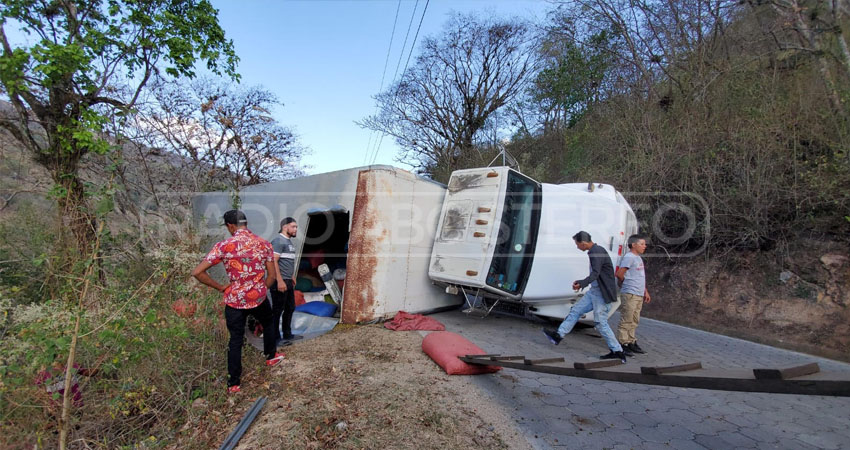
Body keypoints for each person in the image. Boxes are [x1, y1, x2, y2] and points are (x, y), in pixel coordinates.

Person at [192, 209, 284, 393]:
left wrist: (221, 287)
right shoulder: (263, 244)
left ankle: (234, 383)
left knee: (235, 339)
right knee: (268, 322)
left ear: (231, 226)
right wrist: (261, 289)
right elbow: (272, 275)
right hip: (258, 298)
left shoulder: (223, 246)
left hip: (234, 300)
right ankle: (271, 356)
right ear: (245, 223)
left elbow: (197, 272)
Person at [543, 231, 627, 363]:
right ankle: (558, 335)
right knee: (576, 310)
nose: (577, 247)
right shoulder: (596, 250)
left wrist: (582, 283)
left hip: (601, 293)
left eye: (577, 244)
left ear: (583, 243)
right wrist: (583, 283)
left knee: (600, 323)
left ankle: (618, 351)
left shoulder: (595, 252)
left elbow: (595, 273)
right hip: (594, 291)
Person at [615, 234, 651, 354]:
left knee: (634, 319)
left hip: (639, 293)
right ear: (634, 245)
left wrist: (645, 291)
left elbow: (639, 276)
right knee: (627, 318)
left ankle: (631, 341)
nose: (644, 246)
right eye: (642, 244)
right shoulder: (629, 257)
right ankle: (623, 343)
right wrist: (628, 284)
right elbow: (620, 274)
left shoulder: (638, 258)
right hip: (630, 293)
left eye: (644, 244)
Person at [270, 217, 300, 343]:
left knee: (290, 307)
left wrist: (291, 276)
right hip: (279, 281)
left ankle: (287, 334)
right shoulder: (278, 241)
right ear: (285, 227)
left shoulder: (289, 243)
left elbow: (286, 262)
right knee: (277, 310)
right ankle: (275, 337)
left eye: (296, 227)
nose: (296, 229)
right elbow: (274, 261)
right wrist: (280, 280)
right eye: (293, 226)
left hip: (288, 280)